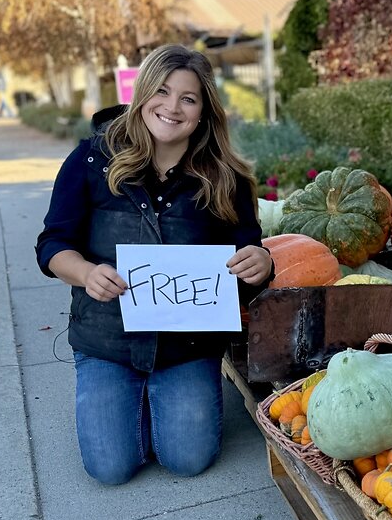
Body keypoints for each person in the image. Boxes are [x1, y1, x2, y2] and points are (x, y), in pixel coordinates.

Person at [35, 45, 273, 485]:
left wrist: (261, 261)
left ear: (203, 111)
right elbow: (53, 246)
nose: (172, 106)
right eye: (161, 92)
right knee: (110, 468)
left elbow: (248, 248)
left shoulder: (225, 177)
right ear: (142, 94)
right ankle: (129, 395)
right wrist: (86, 273)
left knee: (188, 459)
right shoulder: (90, 160)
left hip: (187, 345)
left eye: (188, 98)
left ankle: (162, 396)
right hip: (108, 338)